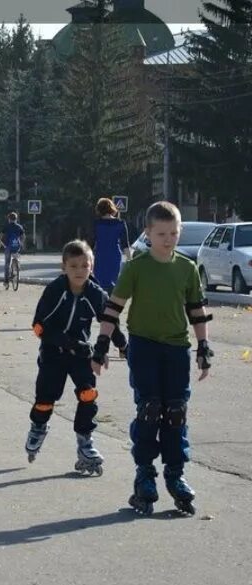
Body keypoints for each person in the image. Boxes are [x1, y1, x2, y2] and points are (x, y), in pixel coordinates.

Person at [92, 201, 213, 516]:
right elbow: (113, 308)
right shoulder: (135, 267)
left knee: (175, 411)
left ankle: (176, 474)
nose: (168, 239)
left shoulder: (186, 268)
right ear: (147, 233)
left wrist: (203, 348)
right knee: (149, 409)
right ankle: (145, 473)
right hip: (144, 347)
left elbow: (197, 311)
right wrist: (102, 344)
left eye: (174, 232)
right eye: (161, 233)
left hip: (176, 348)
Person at [25, 240, 128, 474]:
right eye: (74, 266)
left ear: (92, 266)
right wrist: (69, 343)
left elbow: (109, 321)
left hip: (81, 355)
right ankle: (38, 427)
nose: (80, 271)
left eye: (85, 265)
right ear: (64, 268)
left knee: (88, 393)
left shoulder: (95, 293)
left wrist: (123, 345)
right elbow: (38, 327)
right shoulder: (54, 291)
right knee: (45, 399)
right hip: (53, 353)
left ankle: (85, 443)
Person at [91, 197, 131, 294]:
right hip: (114, 255)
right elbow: (125, 244)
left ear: (99, 209)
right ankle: (110, 302)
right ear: (112, 208)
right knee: (113, 281)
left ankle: (101, 302)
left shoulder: (96, 224)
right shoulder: (121, 223)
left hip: (101, 255)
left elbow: (91, 244)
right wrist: (130, 260)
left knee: (99, 282)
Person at [0, 212, 25, 289]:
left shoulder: (6, 226)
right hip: (16, 247)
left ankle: (6, 281)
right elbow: (23, 236)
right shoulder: (19, 227)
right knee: (16, 256)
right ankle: (17, 267)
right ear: (16, 219)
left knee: (7, 263)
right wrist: (21, 243)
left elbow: (1, 235)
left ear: (9, 219)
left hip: (8, 247)